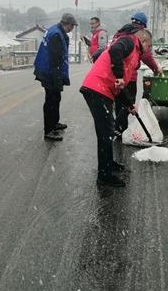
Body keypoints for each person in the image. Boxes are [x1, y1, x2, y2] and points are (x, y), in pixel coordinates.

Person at [80, 28, 153, 187]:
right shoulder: (129, 42)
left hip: (102, 90)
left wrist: (129, 105)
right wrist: (120, 76)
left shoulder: (133, 54)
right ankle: (104, 175)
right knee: (105, 133)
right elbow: (115, 49)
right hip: (97, 89)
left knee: (108, 130)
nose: (148, 50)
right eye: (149, 46)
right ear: (144, 41)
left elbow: (120, 86)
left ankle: (108, 163)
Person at [105, 12, 163, 137]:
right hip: (129, 75)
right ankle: (119, 127)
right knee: (128, 103)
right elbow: (146, 55)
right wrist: (155, 68)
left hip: (117, 74)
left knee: (120, 102)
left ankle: (120, 127)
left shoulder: (120, 32)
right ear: (143, 25)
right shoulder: (138, 35)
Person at [33, 13, 78, 141]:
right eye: (72, 26)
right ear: (67, 24)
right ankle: (49, 130)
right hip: (49, 71)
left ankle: (54, 123)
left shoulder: (55, 30)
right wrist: (57, 78)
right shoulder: (57, 35)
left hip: (47, 69)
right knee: (51, 100)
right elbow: (55, 60)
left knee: (56, 98)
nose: (72, 29)